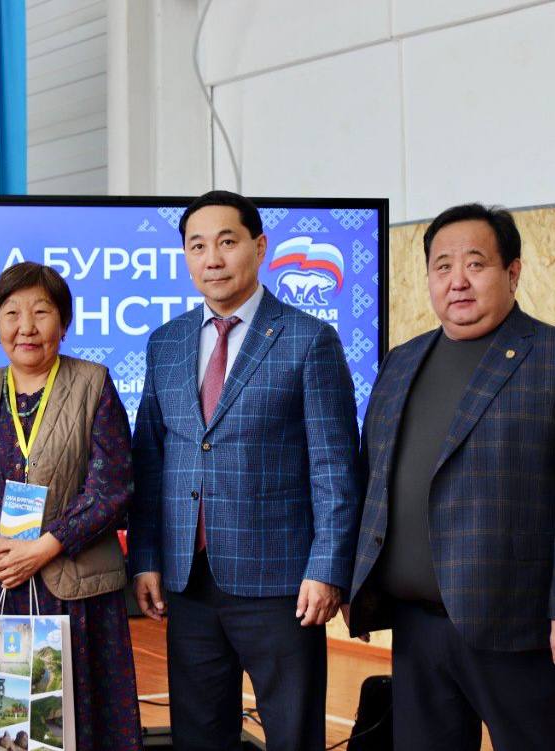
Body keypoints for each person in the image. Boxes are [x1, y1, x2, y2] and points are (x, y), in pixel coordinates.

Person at [345, 203, 555, 751]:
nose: (457, 281)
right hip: (417, 628)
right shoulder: (402, 362)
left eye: (475, 264)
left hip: (521, 629)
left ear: (512, 272)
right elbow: (374, 478)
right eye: (442, 266)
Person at [129, 190, 361, 750]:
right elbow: (151, 461)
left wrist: (327, 569)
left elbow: (335, 469)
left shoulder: (309, 340)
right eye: (197, 246)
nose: (212, 259)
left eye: (227, 242)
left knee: (292, 736)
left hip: (282, 585)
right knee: (199, 736)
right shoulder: (166, 343)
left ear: (259, 247)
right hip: (189, 581)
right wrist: (147, 558)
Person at [0, 262, 144, 750]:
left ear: (64, 321)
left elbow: (112, 487)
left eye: (41, 312)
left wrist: (43, 547)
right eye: (12, 313)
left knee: (74, 726)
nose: (26, 327)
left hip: (73, 589)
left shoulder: (93, 383)